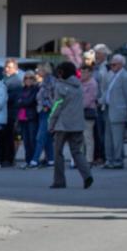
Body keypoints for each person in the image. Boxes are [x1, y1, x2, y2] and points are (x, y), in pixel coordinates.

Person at [47, 60, 95, 189]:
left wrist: (51, 123)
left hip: (62, 125)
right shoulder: (79, 86)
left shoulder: (61, 86)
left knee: (58, 153)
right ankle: (87, 175)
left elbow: (57, 106)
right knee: (77, 152)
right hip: (78, 124)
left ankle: (59, 181)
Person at [99, 55, 127, 170]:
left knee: (117, 138)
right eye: (111, 64)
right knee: (108, 138)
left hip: (119, 110)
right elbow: (107, 92)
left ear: (121, 64)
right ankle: (109, 160)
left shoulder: (126, 76)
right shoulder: (112, 75)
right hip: (109, 109)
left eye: (114, 64)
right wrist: (101, 101)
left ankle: (118, 160)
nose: (112, 66)